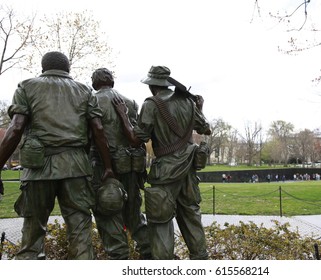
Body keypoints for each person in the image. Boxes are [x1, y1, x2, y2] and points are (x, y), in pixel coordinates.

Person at [0, 51, 114, 260]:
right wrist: (108, 166)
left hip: (38, 169)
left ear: (43, 68)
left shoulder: (27, 86)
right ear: (67, 69)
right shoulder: (84, 90)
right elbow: (98, 130)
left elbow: (16, 128)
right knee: (80, 230)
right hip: (76, 168)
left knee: (33, 233)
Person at [112, 65, 211, 260]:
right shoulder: (187, 101)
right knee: (191, 215)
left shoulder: (151, 104)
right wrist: (199, 109)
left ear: (151, 85)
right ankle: (201, 260)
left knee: (160, 220)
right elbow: (205, 128)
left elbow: (136, 139)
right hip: (189, 168)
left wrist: (124, 116)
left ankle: (163, 267)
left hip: (166, 171)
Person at [89, 68, 151, 259]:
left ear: (94, 82)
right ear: (111, 81)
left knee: (108, 211)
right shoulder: (130, 102)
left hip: (103, 167)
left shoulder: (91, 100)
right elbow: (134, 135)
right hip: (130, 166)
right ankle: (149, 252)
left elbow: (91, 135)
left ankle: (119, 258)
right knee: (134, 213)